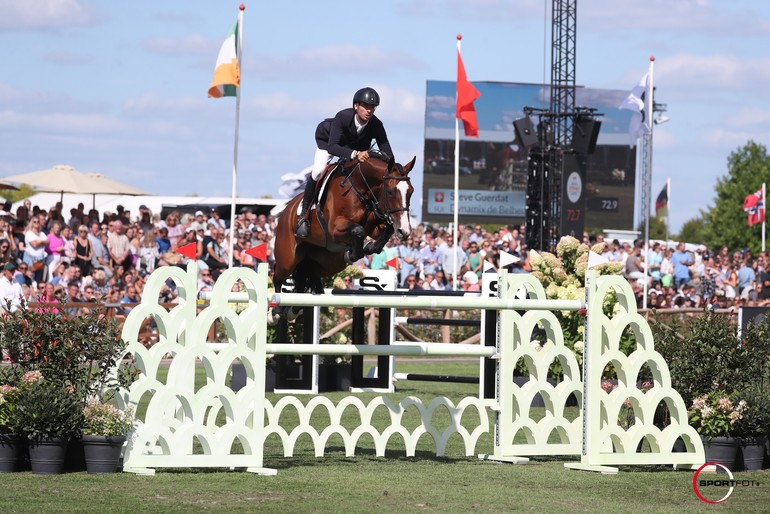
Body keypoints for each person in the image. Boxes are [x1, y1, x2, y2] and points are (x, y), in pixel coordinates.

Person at [295, 87, 394, 238]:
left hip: (354, 147)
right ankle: (304, 214)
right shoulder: (342, 117)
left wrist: (393, 169)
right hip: (328, 141)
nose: (369, 111)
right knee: (318, 170)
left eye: (372, 108)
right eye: (365, 106)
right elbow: (333, 146)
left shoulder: (376, 124)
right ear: (356, 106)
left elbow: (386, 149)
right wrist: (355, 154)